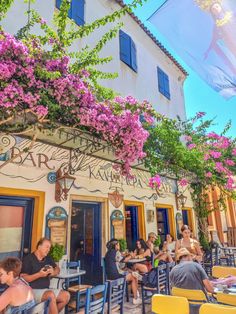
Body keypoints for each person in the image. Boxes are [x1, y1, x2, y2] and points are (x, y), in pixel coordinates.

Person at [21, 238, 70, 314]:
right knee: (50, 295)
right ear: (39, 247)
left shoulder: (47, 258)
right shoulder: (28, 259)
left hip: (45, 289)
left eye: (49, 248)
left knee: (66, 295)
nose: (48, 249)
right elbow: (23, 278)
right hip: (32, 290)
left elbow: (57, 268)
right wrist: (39, 274)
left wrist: (53, 272)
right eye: (47, 247)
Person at [170, 248, 214, 314]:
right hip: (201, 306)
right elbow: (210, 289)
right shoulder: (196, 266)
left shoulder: (173, 270)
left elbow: (173, 289)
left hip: (182, 306)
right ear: (188, 256)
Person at [104, 239, 142, 305]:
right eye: (118, 244)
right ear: (115, 245)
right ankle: (136, 298)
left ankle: (136, 293)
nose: (119, 246)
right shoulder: (116, 252)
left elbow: (120, 259)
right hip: (116, 275)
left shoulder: (108, 253)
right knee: (133, 276)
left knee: (132, 272)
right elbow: (124, 260)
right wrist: (131, 255)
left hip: (109, 275)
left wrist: (126, 255)